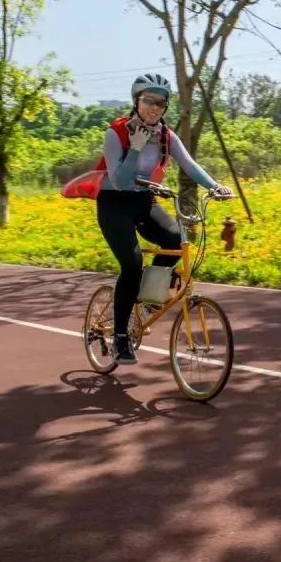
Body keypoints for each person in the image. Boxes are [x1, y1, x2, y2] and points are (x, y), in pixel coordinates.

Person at [96, 73, 231, 365]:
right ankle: (120, 337)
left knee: (173, 238)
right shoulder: (115, 133)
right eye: (148, 101)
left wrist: (215, 186)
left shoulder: (167, 136)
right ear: (137, 101)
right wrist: (135, 147)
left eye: (160, 102)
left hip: (144, 201)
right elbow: (119, 180)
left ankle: (145, 300)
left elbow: (190, 165)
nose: (154, 108)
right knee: (131, 264)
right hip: (114, 204)